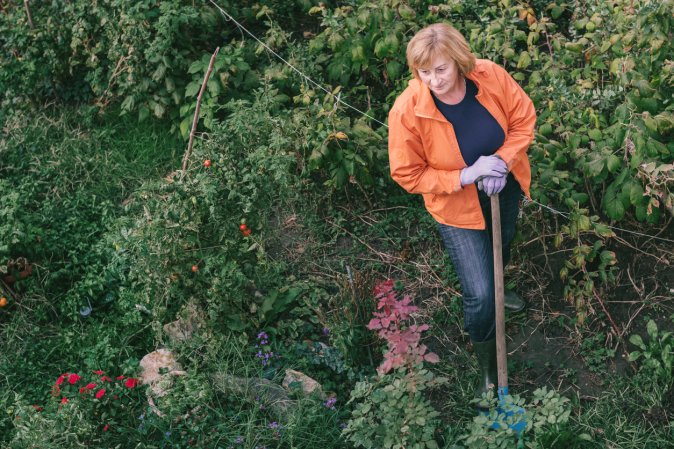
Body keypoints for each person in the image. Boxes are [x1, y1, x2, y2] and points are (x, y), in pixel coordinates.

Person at [387, 23, 536, 404]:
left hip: (503, 189)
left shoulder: (490, 77)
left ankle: (502, 294)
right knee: (481, 293)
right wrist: (467, 175)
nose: (433, 80)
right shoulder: (408, 110)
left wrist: (502, 162)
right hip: (455, 208)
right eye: (424, 72)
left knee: (503, 246)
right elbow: (407, 173)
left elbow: (523, 119)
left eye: (441, 69)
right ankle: (489, 373)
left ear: (458, 61)